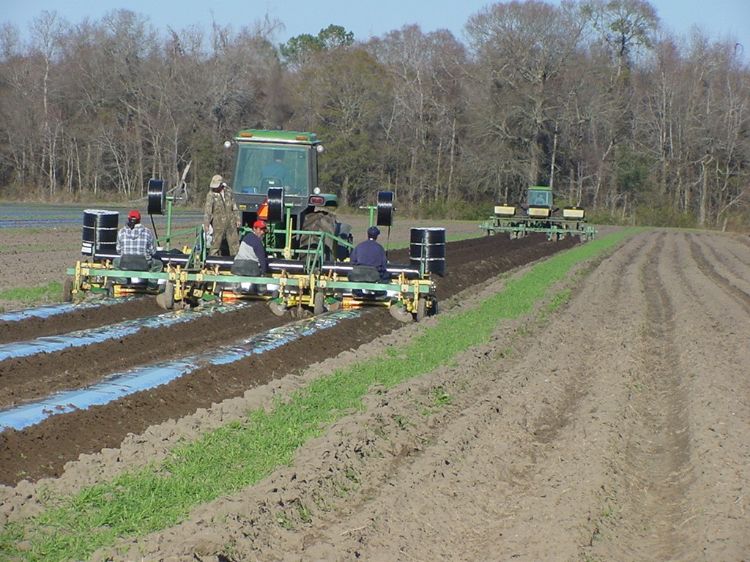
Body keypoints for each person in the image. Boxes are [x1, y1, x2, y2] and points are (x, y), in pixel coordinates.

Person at [204, 174, 240, 256]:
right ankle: (213, 263)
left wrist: (237, 218)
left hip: (231, 221)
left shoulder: (228, 191)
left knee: (234, 244)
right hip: (218, 222)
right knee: (215, 244)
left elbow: (234, 206)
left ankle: (235, 262)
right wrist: (206, 224)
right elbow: (208, 210)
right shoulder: (211, 195)